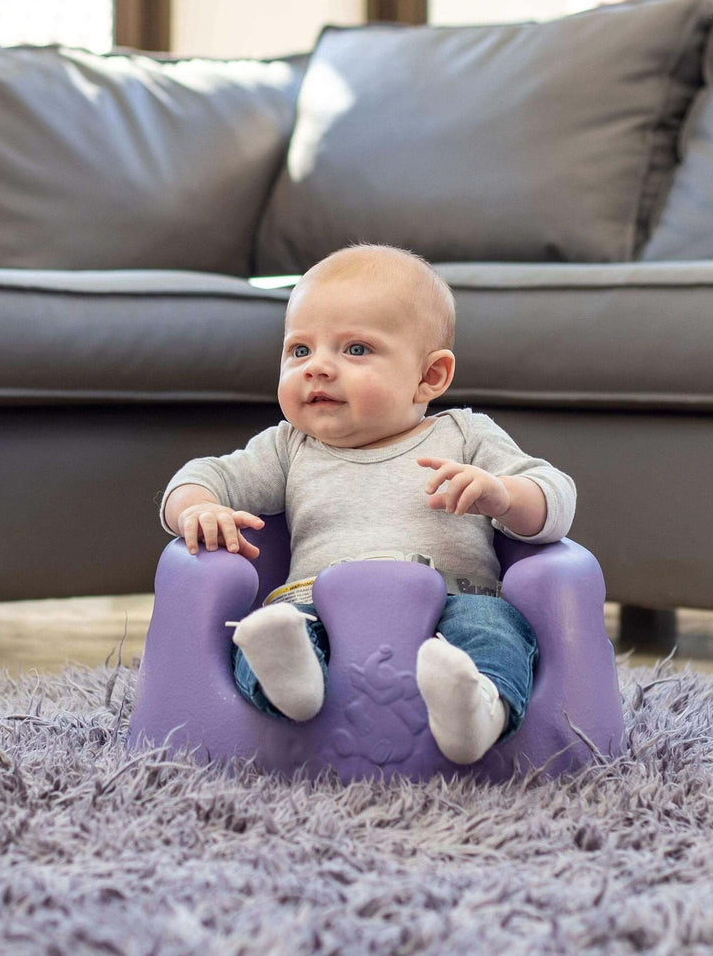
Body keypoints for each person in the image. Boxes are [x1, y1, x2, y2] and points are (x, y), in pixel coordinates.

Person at [157, 243, 576, 765]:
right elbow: (203, 475)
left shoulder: (466, 436)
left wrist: (504, 495)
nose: (317, 369)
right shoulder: (289, 447)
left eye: (355, 350)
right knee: (266, 631)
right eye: (299, 351)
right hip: (317, 604)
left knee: (494, 633)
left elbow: (556, 497)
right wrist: (197, 508)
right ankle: (293, 689)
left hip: (453, 603)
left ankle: (477, 710)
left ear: (431, 377)